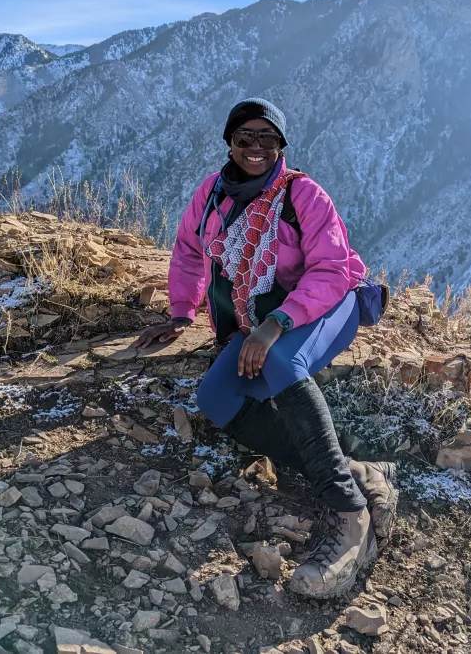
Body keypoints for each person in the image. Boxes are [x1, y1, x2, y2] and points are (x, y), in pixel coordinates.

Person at [134, 98, 399, 600]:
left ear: (282, 145)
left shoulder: (304, 195)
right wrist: (180, 313)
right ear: (229, 144)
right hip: (264, 318)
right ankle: (361, 473)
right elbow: (190, 253)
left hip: (327, 303)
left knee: (280, 360)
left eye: (268, 139)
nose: (256, 149)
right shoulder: (211, 196)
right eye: (244, 139)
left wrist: (274, 324)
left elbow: (331, 270)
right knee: (214, 400)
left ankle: (350, 516)